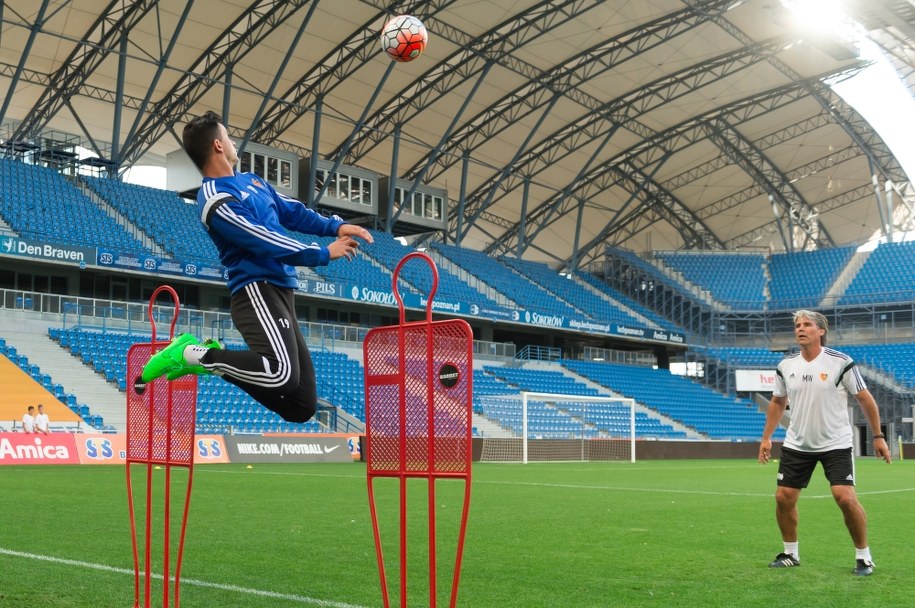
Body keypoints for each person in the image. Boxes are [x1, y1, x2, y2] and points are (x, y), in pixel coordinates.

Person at [141, 111, 373, 424]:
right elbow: (262, 239)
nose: (233, 141)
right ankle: (192, 354)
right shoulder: (214, 197)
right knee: (280, 375)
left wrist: (336, 227)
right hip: (255, 290)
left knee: (301, 405)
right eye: (228, 136)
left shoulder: (252, 181)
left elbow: (292, 212)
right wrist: (321, 253)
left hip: (282, 290)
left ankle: (203, 358)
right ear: (218, 146)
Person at [758, 310, 891, 577]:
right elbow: (777, 402)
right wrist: (766, 438)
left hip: (836, 443)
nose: (801, 329)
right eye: (797, 325)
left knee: (844, 497)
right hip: (798, 443)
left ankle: (864, 557)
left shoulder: (840, 362)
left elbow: (865, 399)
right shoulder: (786, 366)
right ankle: (790, 554)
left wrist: (878, 437)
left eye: (807, 324)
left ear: (821, 331)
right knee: (783, 497)